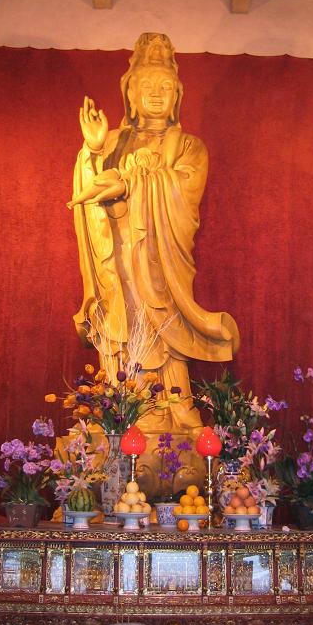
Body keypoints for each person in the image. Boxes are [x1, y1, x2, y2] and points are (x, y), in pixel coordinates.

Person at [70, 33, 239, 433]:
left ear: (178, 95)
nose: (156, 95)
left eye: (165, 87)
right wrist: (93, 151)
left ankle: (174, 406)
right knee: (121, 321)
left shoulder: (189, 147)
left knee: (163, 320)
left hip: (160, 257)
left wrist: (133, 182)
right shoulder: (112, 143)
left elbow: (185, 190)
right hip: (117, 258)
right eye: (147, 86)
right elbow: (87, 194)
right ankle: (118, 413)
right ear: (130, 95)